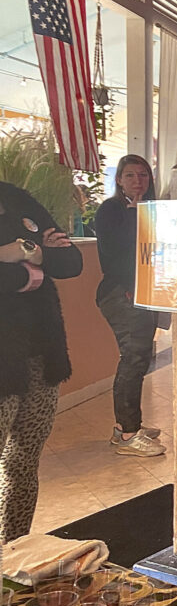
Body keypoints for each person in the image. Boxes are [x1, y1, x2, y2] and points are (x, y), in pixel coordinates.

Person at [0, 180, 83, 540]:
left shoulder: (17, 197)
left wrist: (19, 250)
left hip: (41, 352)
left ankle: (14, 550)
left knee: (23, 461)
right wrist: (30, 268)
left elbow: (70, 261)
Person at [94, 155, 165, 457]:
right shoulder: (110, 210)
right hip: (121, 293)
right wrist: (136, 213)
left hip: (144, 293)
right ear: (119, 180)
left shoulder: (154, 209)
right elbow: (117, 252)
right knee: (133, 359)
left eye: (144, 176)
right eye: (131, 175)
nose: (138, 181)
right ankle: (127, 434)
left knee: (140, 357)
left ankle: (129, 423)